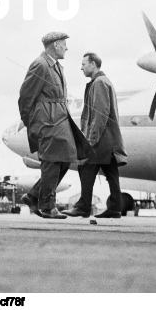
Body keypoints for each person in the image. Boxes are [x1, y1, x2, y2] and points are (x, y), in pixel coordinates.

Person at [17, 32, 92, 219]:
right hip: (47, 122)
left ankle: (34, 196)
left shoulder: (55, 66)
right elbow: (25, 97)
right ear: (56, 45)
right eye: (64, 44)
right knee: (51, 162)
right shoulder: (40, 64)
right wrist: (32, 124)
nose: (66, 48)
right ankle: (47, 206)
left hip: (59, 120)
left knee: (65, 159)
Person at [70, 52, 128, 219]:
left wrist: (91, 139)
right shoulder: (102, 81)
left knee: (86, 168)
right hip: (108, 139)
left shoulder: (99, 83)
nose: (81, 67)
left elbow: (100, 114)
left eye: (84, 64)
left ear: (93, 64)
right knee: (111, 173)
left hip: (101, 139)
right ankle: (115, 208)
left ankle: (83, 207)